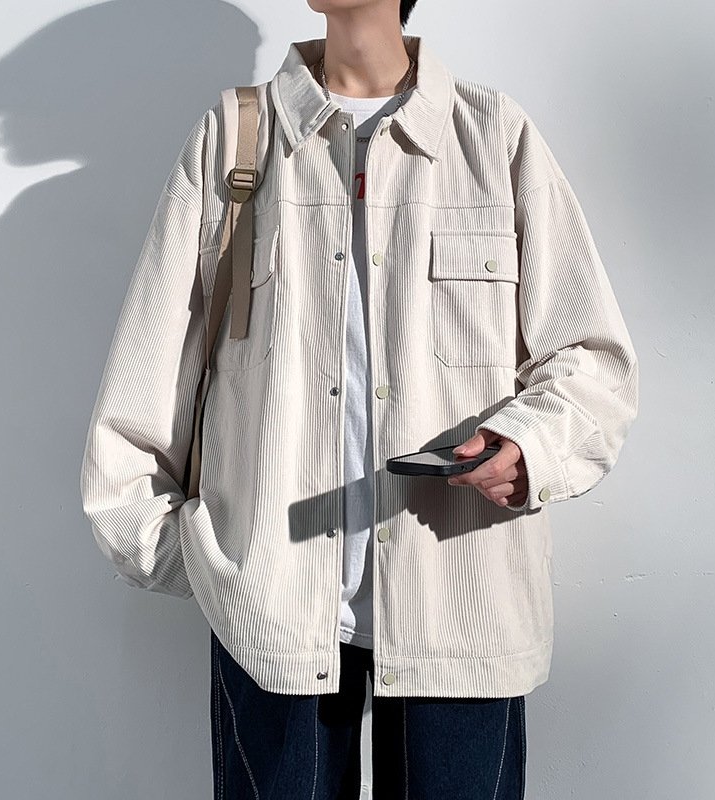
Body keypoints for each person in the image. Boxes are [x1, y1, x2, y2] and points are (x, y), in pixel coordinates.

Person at [80, 0, 639, 797]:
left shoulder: (494, 137)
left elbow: (594, 360)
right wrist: (213, 567)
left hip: (462, 607)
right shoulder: (235, 141)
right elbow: (148, 373)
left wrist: (530, 447)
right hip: (271, 622)